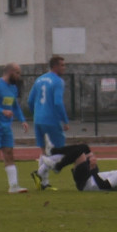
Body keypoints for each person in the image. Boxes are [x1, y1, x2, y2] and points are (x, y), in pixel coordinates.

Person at [0, 62, 29, 194]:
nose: (19, 76)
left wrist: (23, 120)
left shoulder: (13, 88)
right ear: (10, 72)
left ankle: (13, 186)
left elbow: (14, 106)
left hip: (6, 126)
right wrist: (2, 111)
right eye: (18, 73)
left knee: (9, 153)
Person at [28, 55, 69, 191]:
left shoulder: (39, 80)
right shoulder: (58, 81)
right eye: (62, 65)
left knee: (43, 150)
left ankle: (44, 183)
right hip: (51, 120)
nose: (64, 68)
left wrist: (37, 112)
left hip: (38, 119)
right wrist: (65, 120)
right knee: (60, 152)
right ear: (55, 66)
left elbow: (30, 100)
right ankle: (39, 174)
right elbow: (58, 102)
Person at [46, 143, 117, 191]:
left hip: (87, 182)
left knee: (80, 152)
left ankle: (57, 164)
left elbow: (103, 185)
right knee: (85, 148)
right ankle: (54, 153)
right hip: (92, 179)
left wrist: (93, 168)